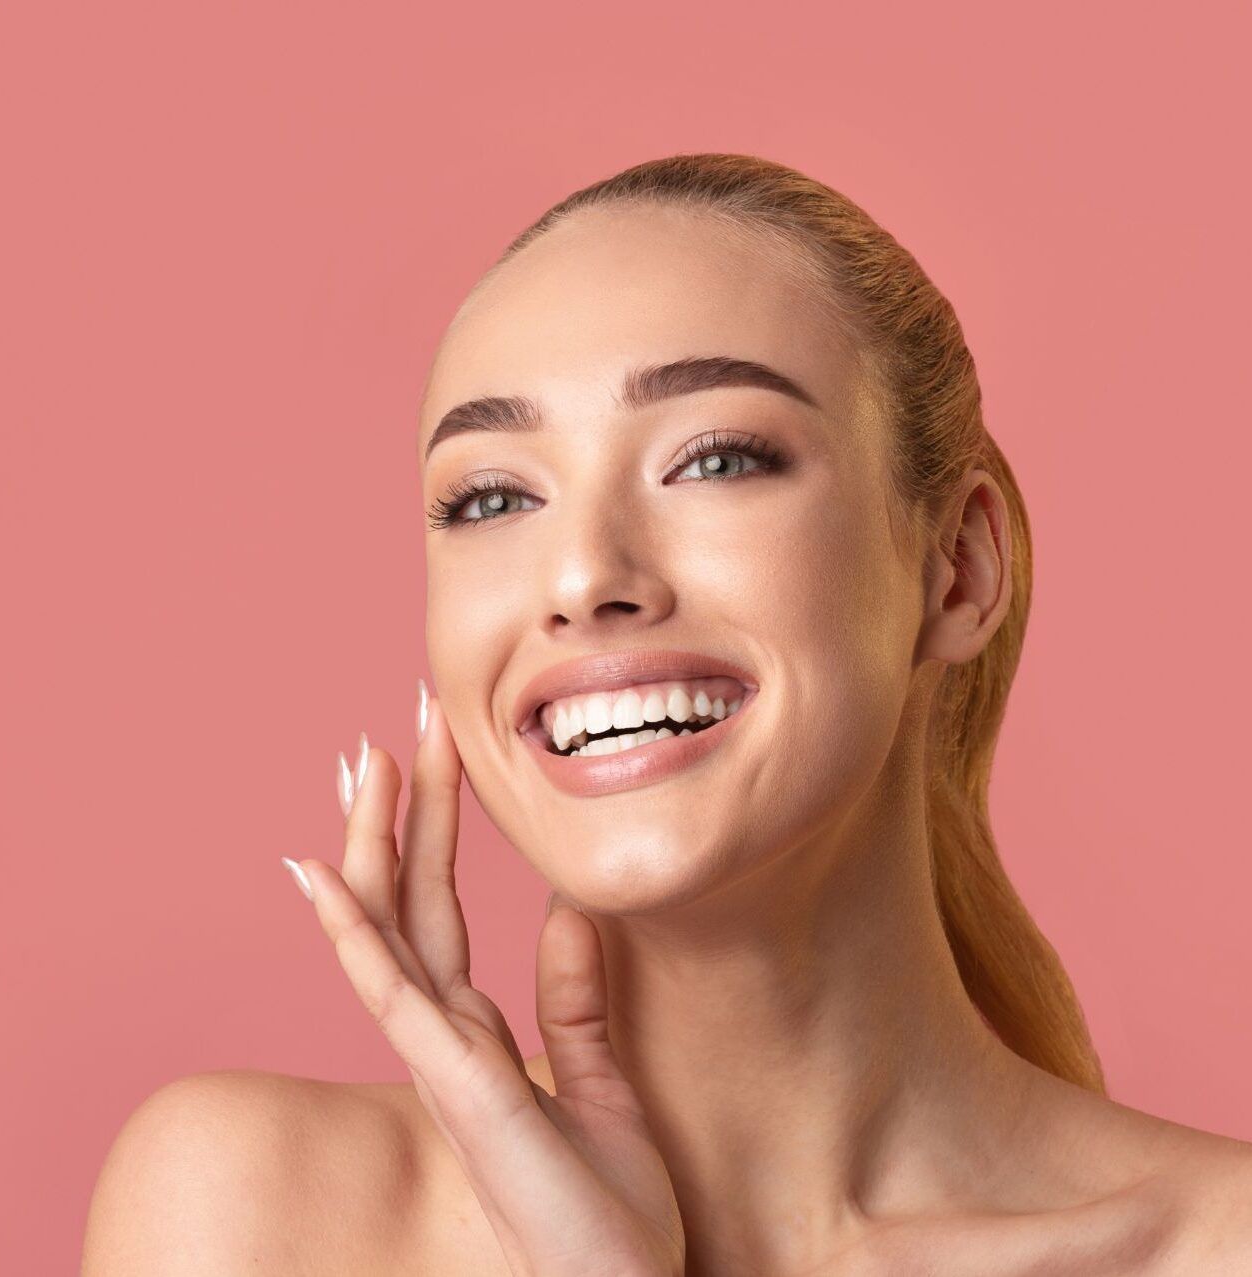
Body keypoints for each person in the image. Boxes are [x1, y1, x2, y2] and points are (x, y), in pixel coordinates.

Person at [81, 153, 1252, 1275]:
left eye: (714, 460)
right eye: (492, 495)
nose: (584, 574)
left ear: (955, 565)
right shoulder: (254, 1210)